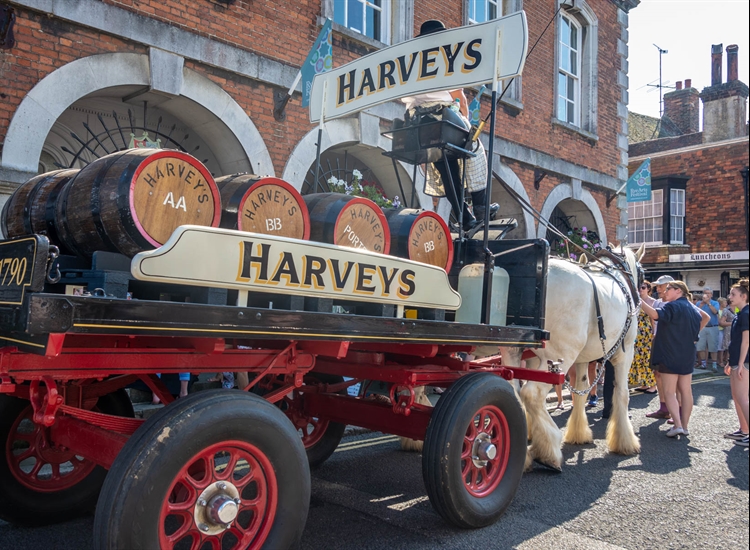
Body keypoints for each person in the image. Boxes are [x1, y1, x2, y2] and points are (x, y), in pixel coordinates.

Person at [402, 20, 496, 231]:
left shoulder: (413, 62)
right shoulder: (444, 58)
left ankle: (465, 217)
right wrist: (466, 121)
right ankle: (480, 206)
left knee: (447, 169)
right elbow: (460, 98)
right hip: (443, 119)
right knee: (474, 147)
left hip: (419, 126)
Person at [641, 280, 702, 437]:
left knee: (669, 392)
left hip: (670, 354)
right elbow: (704, 320)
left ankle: (677, 425)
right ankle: (685, 426)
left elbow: (655, 315)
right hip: (688, 354)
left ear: (678, 291)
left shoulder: (671, 306)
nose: (664, 292)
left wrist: (638, 300)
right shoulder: (693, 309)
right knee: (686, 392)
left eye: (668, 289)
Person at [723, 278, 749, 446]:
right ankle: (744, 430)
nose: (730, 296)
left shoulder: (746, 314)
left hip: (744, 362)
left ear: (744, 296)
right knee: (736, 396)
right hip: (735, 361)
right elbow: (735, 342)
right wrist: (729, 362)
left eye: (733, 294)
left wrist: (740, 364)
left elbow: (746, 341)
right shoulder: (740, 313)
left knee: (742, 397)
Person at [630, 281, 657, 393]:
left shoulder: (652, 302)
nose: (641, 289)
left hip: (647, 333)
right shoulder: (634, 301)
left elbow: (653, 319)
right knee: (638, 359)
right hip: (636, 333)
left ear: (648, 289)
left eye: (643, 287)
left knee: (647, 359)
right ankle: (644, 383)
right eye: (639, 287)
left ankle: (653, 385)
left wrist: (654, 333)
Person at [696, 287, 721, 372]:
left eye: (708, 293)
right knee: (700, 346)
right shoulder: (699, 303)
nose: (706, 295)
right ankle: (703, 364)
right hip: (702, 327)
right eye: (705, 293)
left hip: (712, 327)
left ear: (711, 295)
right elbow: (695, 313)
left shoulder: (715, 303)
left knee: (713, 347)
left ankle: (714, 365)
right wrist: (702, 304)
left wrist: (708, 303)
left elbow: (715, 312)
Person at [718, 297, 736, 368]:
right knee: (725, 346)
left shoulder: (738, 309)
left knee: (732, 346)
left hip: (736, 330)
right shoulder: (726, 310)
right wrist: (732, 323)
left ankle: (728, 360)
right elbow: (721, 323)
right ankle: (721, 361)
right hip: (728, 330)